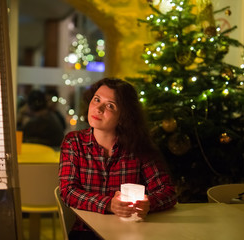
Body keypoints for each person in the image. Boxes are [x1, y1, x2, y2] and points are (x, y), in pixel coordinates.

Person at [58, 78, 177, 239]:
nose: (98, 108)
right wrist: (107, 204)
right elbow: (68, 191)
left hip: (133, 231)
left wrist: (148, 204)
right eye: (97, 99)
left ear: (123, 116)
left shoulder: (138, 146)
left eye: (110, 105)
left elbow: (168, 191)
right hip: (87, 232)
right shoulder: (74, 142)